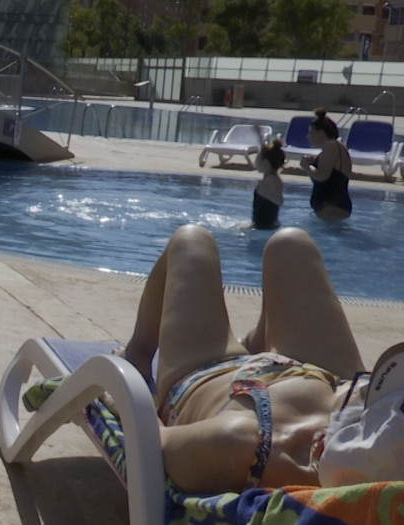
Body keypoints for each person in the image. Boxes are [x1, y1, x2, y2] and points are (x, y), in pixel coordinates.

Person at [117, 224, 399, 493]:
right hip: (325, 376)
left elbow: (151, 437)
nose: (368, 390)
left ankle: (137, 354)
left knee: (191, 241)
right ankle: (260, 339)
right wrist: (356, 397)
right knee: (291, 244)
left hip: (211, 373)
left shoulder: (241, 444)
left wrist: (120, 391)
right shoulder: (356, 408)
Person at [300, 109, 352, 221]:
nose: (308, 137)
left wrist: (306, 167)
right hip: (333, 205)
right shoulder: (335, 147)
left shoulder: (331, 146)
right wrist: (311, 166)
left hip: (332, 206)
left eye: (311, 132)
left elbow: (322, 176)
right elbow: (321, 180)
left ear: (320, 132)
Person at [250, 139, 285, 230]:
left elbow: (279, 201)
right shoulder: (269, 178)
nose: (255, 162)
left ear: (266, 163)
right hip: (262, 224)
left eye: (257, 159)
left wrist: (265, 193)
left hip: (266, 226)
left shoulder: (272, 180)